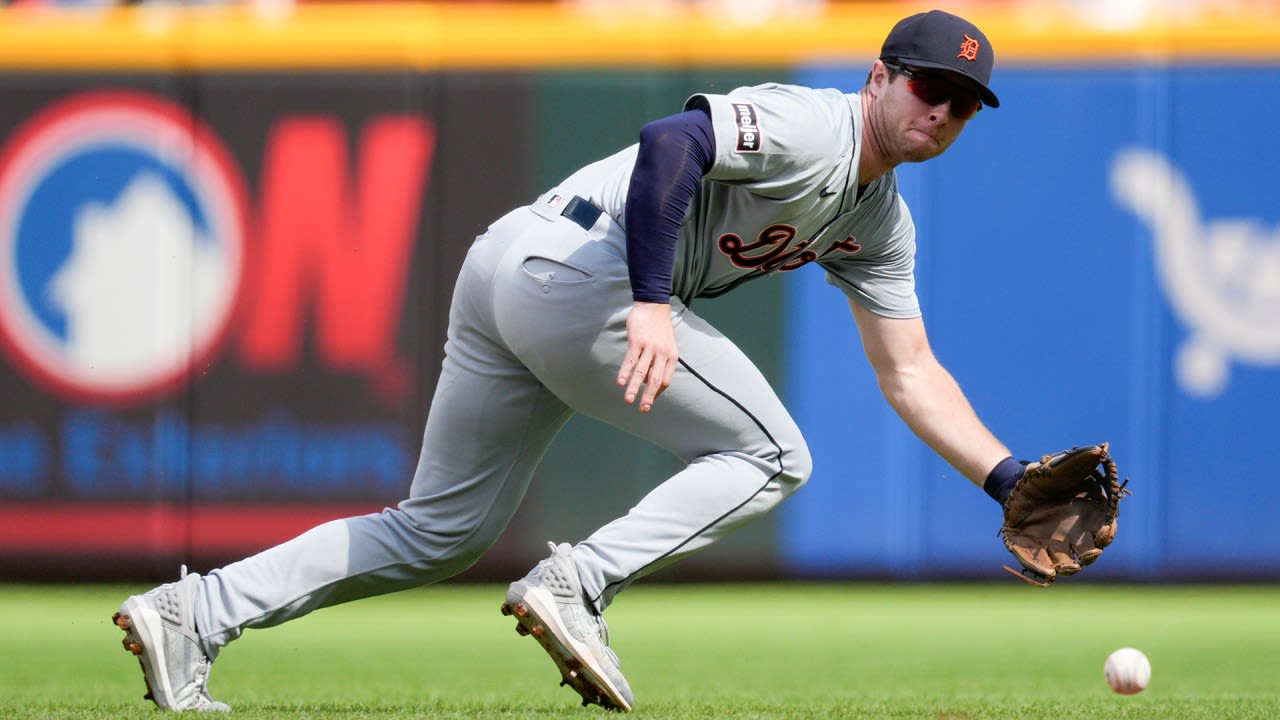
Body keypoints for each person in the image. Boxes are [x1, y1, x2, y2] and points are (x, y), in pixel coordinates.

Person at [114, 9, 1024, 713]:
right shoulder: (819, 126)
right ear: (880, 77)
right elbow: (675, 140)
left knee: (437, 529)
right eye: (926, 87)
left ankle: (194, 614)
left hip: (514, 265)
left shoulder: (879, 221)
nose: (940, 111)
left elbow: (910, 370)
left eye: (961, 105)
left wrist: (1006, 479)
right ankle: (576, 582)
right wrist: (648, 304)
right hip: (578, 271)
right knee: (775, 456)